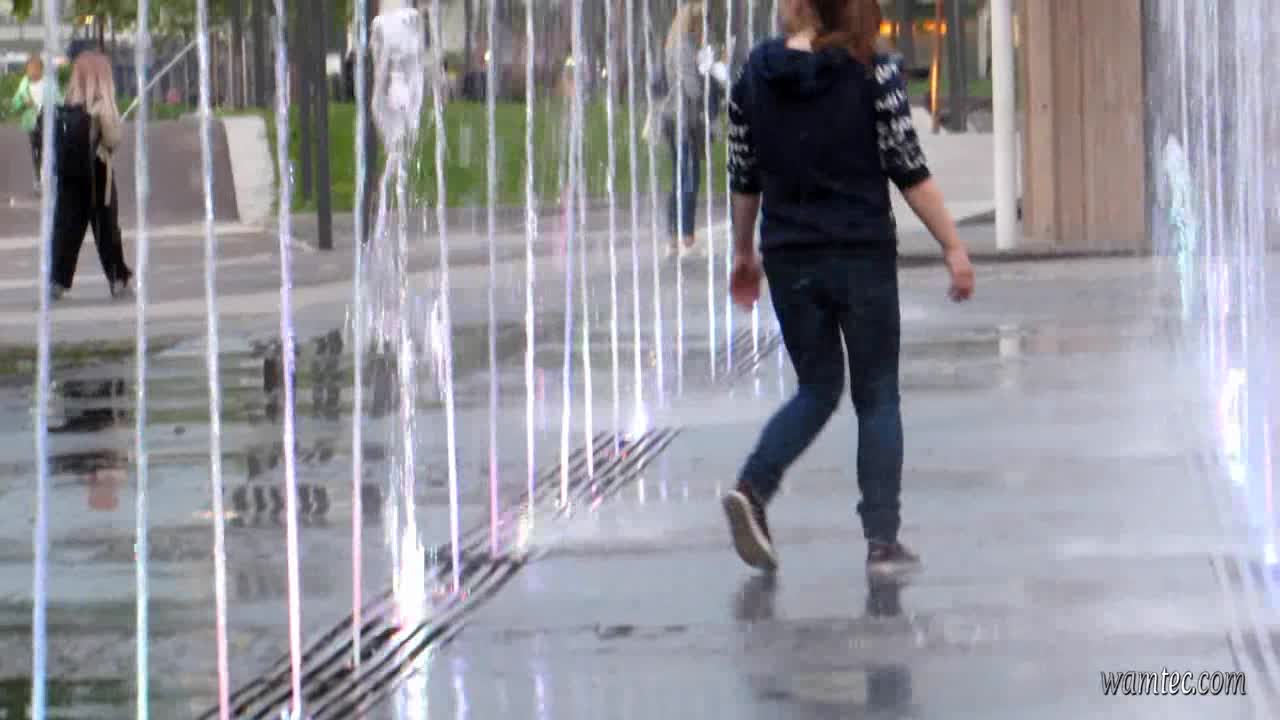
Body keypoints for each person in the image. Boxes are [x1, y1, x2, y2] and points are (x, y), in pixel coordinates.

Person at [721, 0, 975, 576]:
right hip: (861, 252)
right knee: (877, 394)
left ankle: (753, 487)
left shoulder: (752, 77)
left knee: (817, 388)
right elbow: (908, 168)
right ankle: (882, 542)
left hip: (789, 256)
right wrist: (952, 246)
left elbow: (744, 174)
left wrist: (743, 253)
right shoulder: (874, 70)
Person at [49, 51, 133, 301]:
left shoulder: (67, 106)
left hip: (70, 176)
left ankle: (57, 280)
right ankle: (118, 279)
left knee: (67, 228)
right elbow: (112, 140)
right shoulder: (101, 106)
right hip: (98, 174)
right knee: (106, 229)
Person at [659, 2, 726, 259]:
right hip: (683, 121)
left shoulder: (675, 44)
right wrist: (710, 74)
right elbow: (693, 89)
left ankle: (674, 238)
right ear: (694, 21)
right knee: (688, 177)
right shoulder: (683, 46)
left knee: (681, 176)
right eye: (702, 22)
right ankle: (685, 237)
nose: (705, 27)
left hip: (676, 119)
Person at [10, 54, 60, 192]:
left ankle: (47, 178)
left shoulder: (48, 84)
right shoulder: (24, 85)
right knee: (35, 151)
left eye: (35, 68)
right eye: (29, 69)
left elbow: (58, 100)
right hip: (31, 122)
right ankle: (38, 178)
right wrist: (22, 102)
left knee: (47, 149)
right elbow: (15, 103)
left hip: (46, 121)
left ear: (41, 69)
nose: (32, 72)